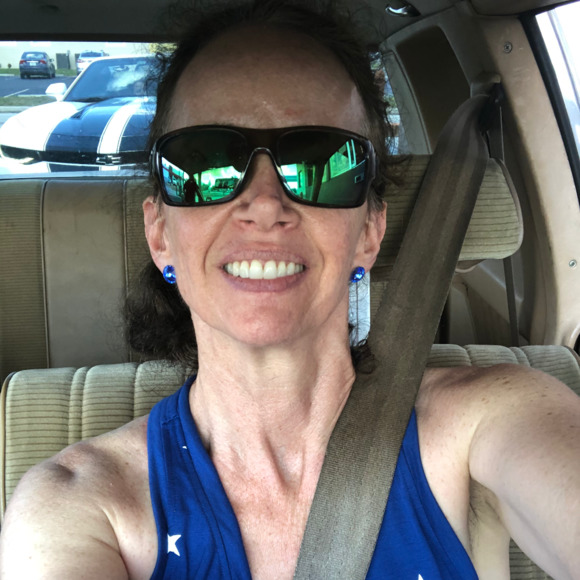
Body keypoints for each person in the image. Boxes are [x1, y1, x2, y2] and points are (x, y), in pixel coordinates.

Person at [1, 2, 580, 579]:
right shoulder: (75, 506)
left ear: (369, 232)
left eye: (319, 163)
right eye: (206, 165)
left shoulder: (491, 418)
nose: (264, 205)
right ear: (160, 235)